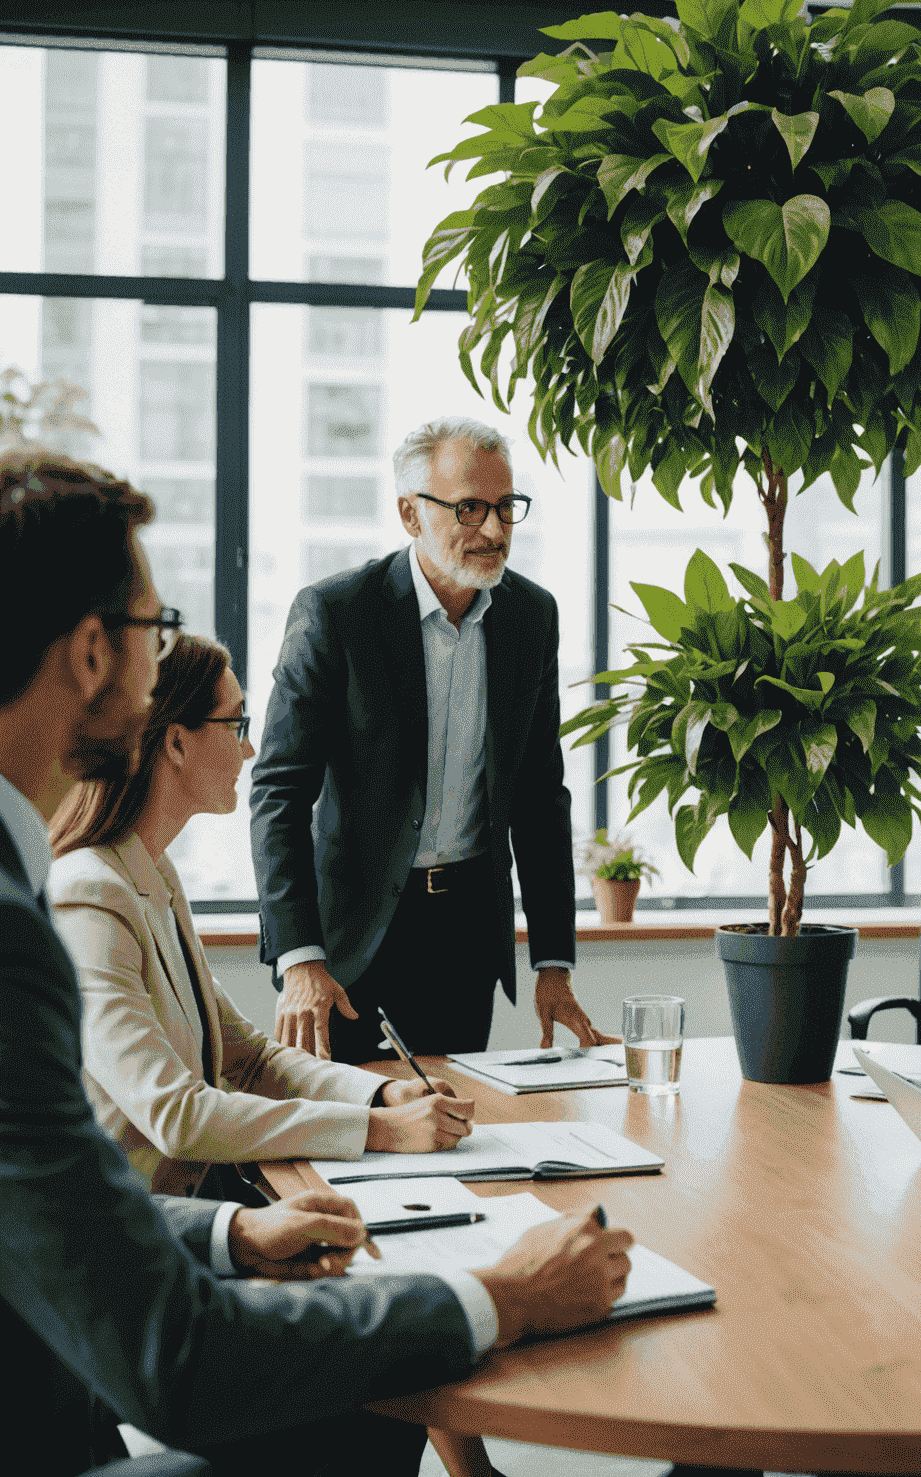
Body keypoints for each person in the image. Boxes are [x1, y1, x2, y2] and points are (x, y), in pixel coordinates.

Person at [0, 451, 634, 1477]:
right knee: (363, 1409)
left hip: (74, 1381)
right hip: (59, 1434)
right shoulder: (40, 917)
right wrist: (501, 1299)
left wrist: (231, 1241)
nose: (163, 667)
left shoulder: (109, 884)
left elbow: (45, 1202)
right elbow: (181, 1360)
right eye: (152, 632)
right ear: (86, 652)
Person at [47, 632, 476, 1201]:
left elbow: (250, 1059)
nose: (250, 751)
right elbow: (177, 1114)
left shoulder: (153, 873)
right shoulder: (90, 895)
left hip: (205, 1194)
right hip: (151, 1230)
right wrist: (378, 1132)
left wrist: (377, 1097)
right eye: (237, 724)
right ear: (176, 743)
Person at [251, 417, 616, 1064]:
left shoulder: (532, 617)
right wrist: (299, 955)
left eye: (506, 508)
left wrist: (553, 961)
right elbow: (279, 790)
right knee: (351, 1134)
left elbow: (538, 794)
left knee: (452, 1125)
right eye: (470, 508)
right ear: (410, 514)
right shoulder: (337, 613)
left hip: (465, 937)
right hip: (349, 942)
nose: (496, 531)